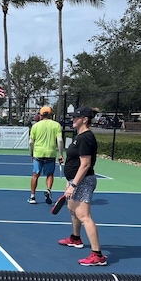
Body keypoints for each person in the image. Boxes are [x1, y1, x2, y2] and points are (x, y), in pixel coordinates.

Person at [58, 106, 107, 266]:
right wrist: (69, 179)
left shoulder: (86, 137)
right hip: (74, 179)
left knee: (85, 216)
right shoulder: (79, 136)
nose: (73, 119)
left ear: (85, 119)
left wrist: (73, 184)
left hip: (83, 181)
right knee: (72, 209)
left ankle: (97, 255)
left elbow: (85, 165)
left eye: (76, 117)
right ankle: (75, 238)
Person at [28, 106, 64, 204]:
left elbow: (31, 142)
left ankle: (32, 197)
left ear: (40, 115)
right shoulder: (56, 125)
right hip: (50, 154)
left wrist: (31, 153)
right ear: (51, 114)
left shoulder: (35, 126)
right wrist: (61, 154)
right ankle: (48, 189)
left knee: (35, 175)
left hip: (38, 153)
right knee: (50, 174)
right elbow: (60, 140)